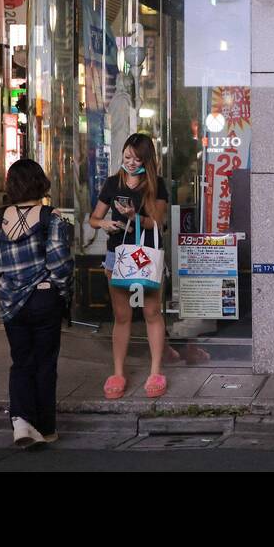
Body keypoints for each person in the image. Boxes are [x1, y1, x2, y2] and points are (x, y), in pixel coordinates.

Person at [0, 159, 73, 448]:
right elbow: (60, 264)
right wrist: (63, 291)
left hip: (11, 303)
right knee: (45, 364)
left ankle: (21, 421)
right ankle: (45, 429)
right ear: (40, 182)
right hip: (44, 299)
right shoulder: (51, 218)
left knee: (21, 362)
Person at [89, 133, 169, 400]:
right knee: (121, 315)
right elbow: (93, 218)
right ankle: (118, 373)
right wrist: (104, 224)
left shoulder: (156, 185)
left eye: (137, 158)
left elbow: (157, 222)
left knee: (152, 312)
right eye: (127, 157)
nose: (131, 162)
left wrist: (135, 216)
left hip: (146, 254)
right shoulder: (112, 183)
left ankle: (155, 372)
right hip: (117, 254)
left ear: (147, 159)